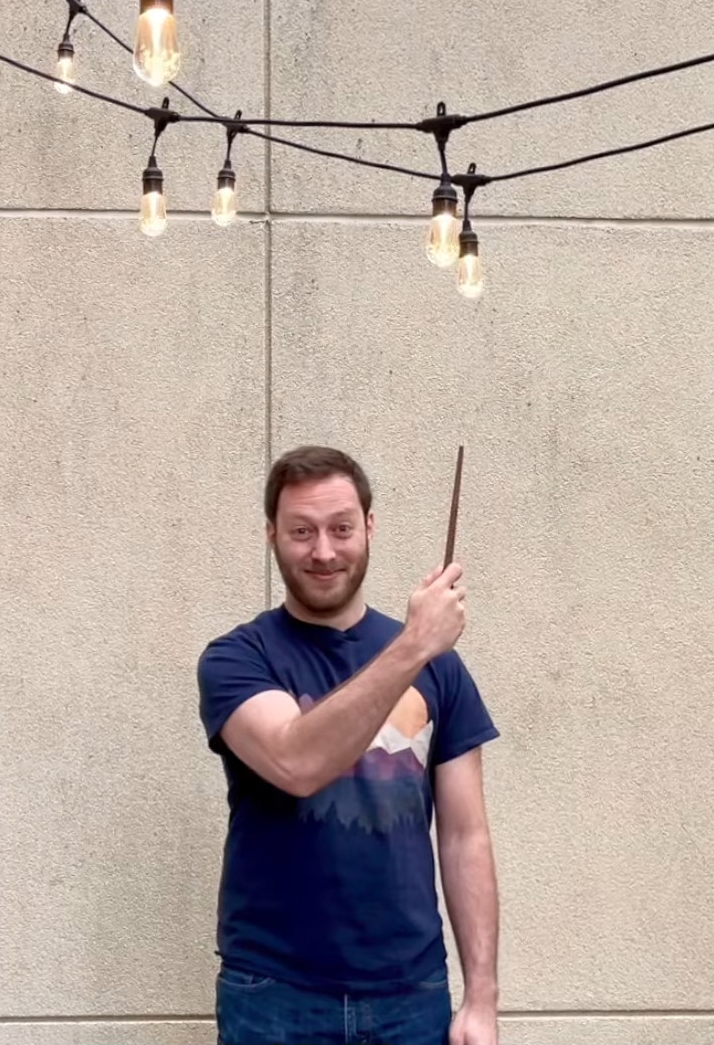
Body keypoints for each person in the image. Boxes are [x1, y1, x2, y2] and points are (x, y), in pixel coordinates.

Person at [196, 445, 500, 1045]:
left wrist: (482, 998)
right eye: (301, 531)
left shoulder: (442, 670)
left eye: (340, 528)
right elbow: (296, 761)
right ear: (271, 534)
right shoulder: (237, 658)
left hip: (411, 994)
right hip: (274, 995)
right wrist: (414, 646)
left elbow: (466, 835)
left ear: (369, 527)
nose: (323, 551)